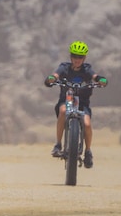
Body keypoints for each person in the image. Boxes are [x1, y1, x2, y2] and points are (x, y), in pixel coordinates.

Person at [44, 41, 108, 169]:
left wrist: (101, 80)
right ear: (70, 57)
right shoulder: (64, 67)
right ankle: (58, 144)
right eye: (74, 56)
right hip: (66, 100)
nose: (77, 60)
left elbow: (94, 76)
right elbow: (56, 75)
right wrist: (52, 78)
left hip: (82, 103)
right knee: (62, 111)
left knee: (87, 124)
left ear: (84, 58)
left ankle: (88, 151)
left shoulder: (87, 69)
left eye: (80, 57)